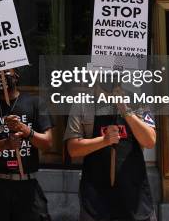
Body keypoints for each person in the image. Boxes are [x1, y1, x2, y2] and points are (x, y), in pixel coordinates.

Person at [0, 68, 54, 221]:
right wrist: (5, 144)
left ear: (16, 77)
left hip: (27, 185)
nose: (0, 76)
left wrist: (24, 129)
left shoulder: (35, 103)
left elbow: (47, 143)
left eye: (6, 72)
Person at [64, 82, 157, 221]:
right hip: (95, 196)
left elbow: (150, 141)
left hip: (134, 196)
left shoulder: (137, 101)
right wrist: (104, 141)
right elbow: (73, 149)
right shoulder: (82, 103)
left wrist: (126, 111)